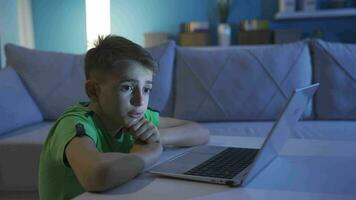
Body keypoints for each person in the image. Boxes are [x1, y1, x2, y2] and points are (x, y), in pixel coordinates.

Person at [38, 35, 209, 200]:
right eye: (127, 87)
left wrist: (155, 136)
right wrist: (147, 154)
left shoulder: (134, 118)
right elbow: (96, 175)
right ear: (93, 90)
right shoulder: (76, 123)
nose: (139, 101)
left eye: (146, 89)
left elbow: (200, 132)